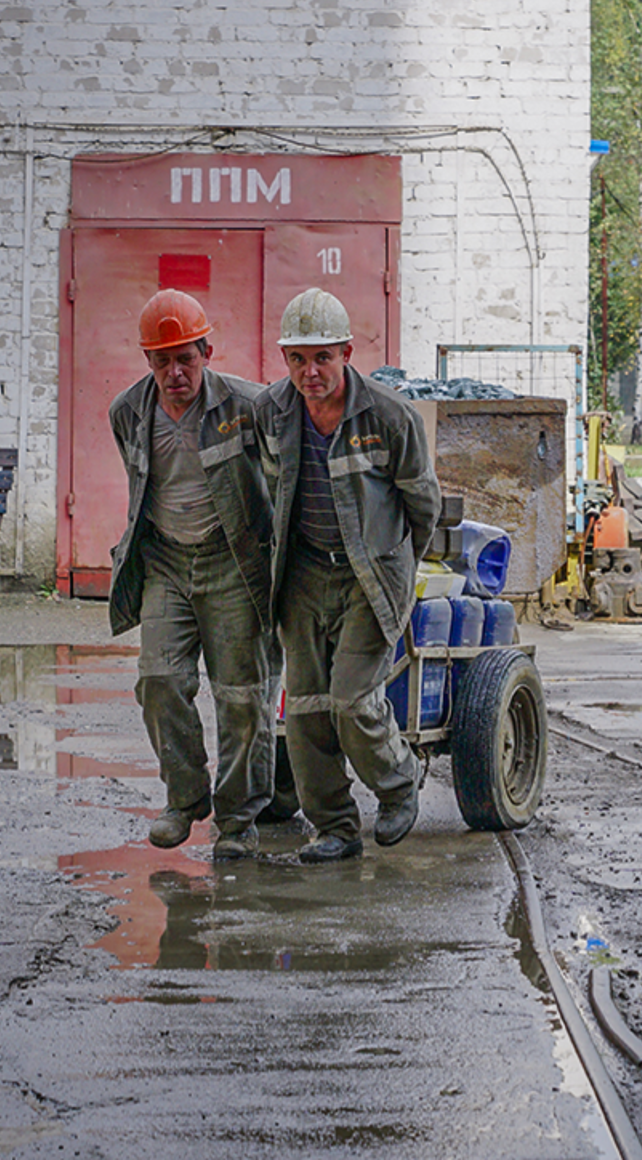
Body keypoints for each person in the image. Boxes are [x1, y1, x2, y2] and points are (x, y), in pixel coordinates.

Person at [254, 288, 441, 863]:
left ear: (347, 352)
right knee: (307, 705)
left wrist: (395, 566)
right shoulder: (272, 412)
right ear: (285, 358)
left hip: (371, 576)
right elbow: (268, 489)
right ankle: (334, 826)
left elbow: (423, 505)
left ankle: (397, 782)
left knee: (352, 698)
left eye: (323, 358)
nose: (310, 373)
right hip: (304, 574)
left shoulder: (390, 417)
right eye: (297, 360)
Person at [108, 289, 275, 861]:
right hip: (165, 564)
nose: (175, 372)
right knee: (158, 681)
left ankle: (236, 820)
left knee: (241, 696)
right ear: (146, 360)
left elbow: (284, 472)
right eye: (162, 360)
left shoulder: (248, 407)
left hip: (231, 563)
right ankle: (185, 799)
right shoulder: (128, 413)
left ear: (208, 349)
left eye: (186, 357)